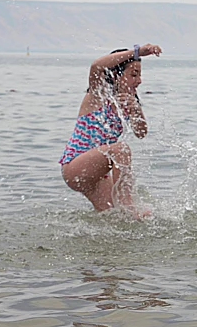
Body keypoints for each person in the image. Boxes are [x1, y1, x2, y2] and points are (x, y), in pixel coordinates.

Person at [59, 44, 162, 217]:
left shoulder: (128, 102)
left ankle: (125, 215)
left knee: (118, 217)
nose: (139, 80)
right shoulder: (98, 95)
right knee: (121, 149)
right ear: (115, 75)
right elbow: (96, 66)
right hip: (75, 167)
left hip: (97, 176)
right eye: (133, 74)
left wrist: (136, 110)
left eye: (140, 75)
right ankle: (128, 203)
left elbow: (141, 133)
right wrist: (137, 52)